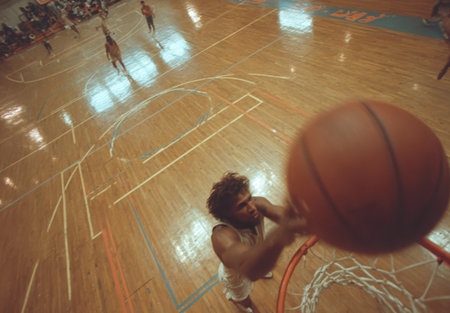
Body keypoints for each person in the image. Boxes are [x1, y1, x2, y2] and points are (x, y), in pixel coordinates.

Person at [207, 172, 306, 313]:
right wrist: (278, 237)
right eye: (241, 206)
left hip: (256, 256)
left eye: (250, 199)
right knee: (246, 304)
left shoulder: (256, 205)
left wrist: (304, 218)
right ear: (228, 215)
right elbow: (250, 269)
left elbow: (279, 213)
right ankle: (237, 301)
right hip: (237, 277)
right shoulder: (221, 237)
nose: (252, 207)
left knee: (261, 264)